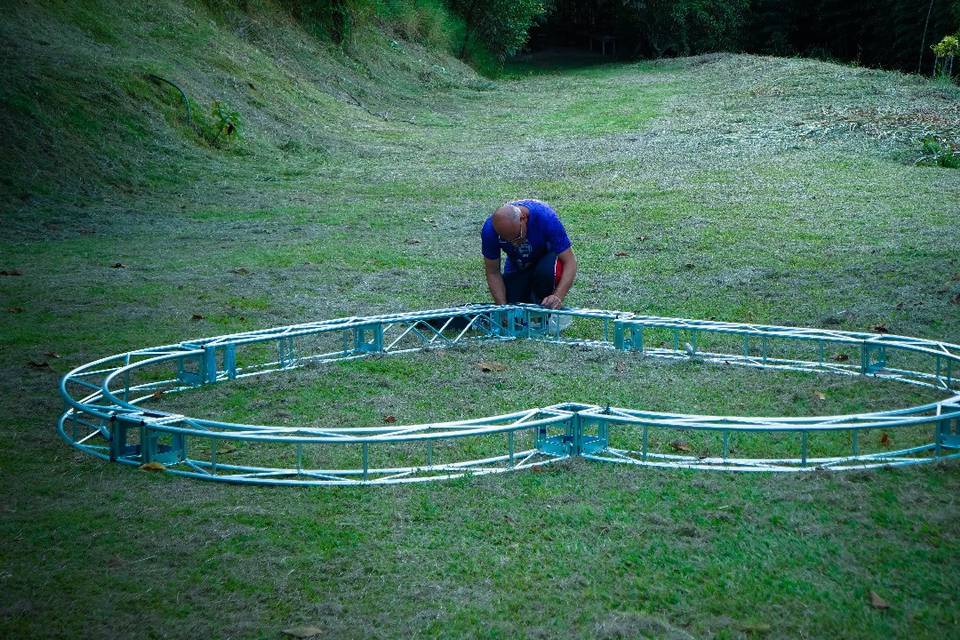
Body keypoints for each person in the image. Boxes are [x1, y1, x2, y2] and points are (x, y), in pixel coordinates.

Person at [481, 199, 577, 309]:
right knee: (513, 306)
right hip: (519, 266)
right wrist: (502, 307)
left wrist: (558, 296)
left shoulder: (545, 217)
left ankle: (545, 305)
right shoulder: (490, 230)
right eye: (506, 240)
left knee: (545, 274)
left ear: (523, 219)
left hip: (548, 263)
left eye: (516, 237)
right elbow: (493, 272)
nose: (514, 243)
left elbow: (570, 261)